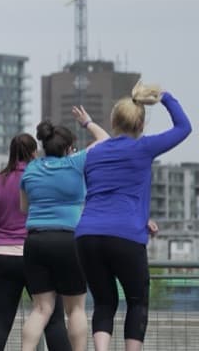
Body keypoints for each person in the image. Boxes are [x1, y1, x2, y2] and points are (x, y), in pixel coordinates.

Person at [75, 84, 192, 351]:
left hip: (87, 236)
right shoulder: (143, 148)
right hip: (125, 236)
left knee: (104, 303)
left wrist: (89, 124)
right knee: (137, 301)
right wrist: (164, 97)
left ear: (114, 122)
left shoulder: (93, 153)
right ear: (140, 125)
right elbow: (184, 128)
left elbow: (108, 192)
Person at [0, 133, 70, 351]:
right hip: (40, 255)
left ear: (11, 153)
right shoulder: (43, 178)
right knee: (53, 322)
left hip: (3, 258)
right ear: (35, 153)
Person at [19, 108, 109, 351]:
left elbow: (23, 208)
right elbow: (106, 140)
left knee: (41, 309)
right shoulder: (76, 162)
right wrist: (87, 122)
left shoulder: (31, 169)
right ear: (69, 147)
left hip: (36, 241)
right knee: (75, 309)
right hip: (69, 240)